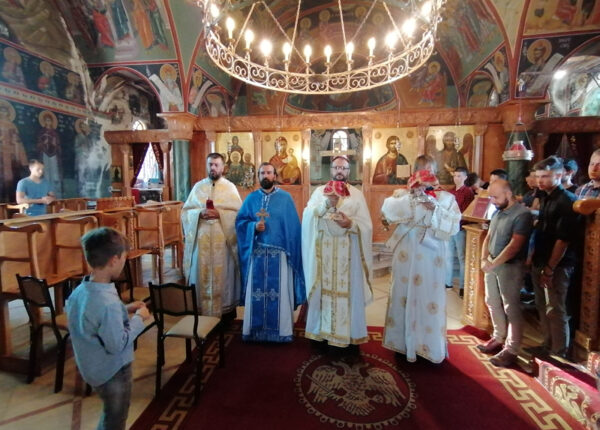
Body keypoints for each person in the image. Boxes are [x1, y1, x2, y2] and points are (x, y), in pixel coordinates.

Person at [66, 227, 151, 430]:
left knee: (109, 413)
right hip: (113, 371)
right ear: (114, 260)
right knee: (115, 419)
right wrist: (139, 318)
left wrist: (125, 309)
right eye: (124, 258)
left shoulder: (82, 290)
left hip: (91, 368)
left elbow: (92, 318)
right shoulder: (108, 303)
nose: (124, 262)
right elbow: (117, 344)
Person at [381, 169, 461, 363]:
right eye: (419, 184)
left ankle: (428, 347)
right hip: (406, 253)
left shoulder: (446, 198)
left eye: (427, 184)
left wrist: (434, 208)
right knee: (402, 294)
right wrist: (411, 196)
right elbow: (386, 212)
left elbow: (454, 225)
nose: (423, 188)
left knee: (428, 296)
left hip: (431, 256)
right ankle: (401, 345)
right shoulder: (403, 195)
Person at [302, 155, 373, 351]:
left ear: (349, 171)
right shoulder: (319, 192)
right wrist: (325, 204)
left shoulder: (357, 195)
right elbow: (307, 216)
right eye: (336, 167)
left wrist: (350, 224)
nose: (339, 171)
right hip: (323, 257)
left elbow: (367, 226)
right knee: (322, 293)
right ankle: (320, 334)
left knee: (348, 294)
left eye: (343, 168)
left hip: (348, 257)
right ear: (331, 170)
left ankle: (348, 336)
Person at [235, 162, 305, 342]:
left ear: (275, 176)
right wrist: (253, 227)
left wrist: (291, 252)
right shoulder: (251, 199)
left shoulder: (285, 198)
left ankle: (281, 332)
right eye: (262, 173)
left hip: (280, 255)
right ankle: (254, 331)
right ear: (258, 176)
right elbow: (240, 223)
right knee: (256, 292)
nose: (265, 176)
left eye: (269, 172)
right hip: (257, 253)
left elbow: (293, 228)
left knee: (279, 294)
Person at [530, 156, 581, 358]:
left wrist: (550, 268)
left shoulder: (567, 200)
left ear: (559, 175)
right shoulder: (545, 196)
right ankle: (547, 345)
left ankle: (559, 353)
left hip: (558, 265)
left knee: (556, 308)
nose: (540, 180)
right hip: (541, 258)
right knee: (542, 305)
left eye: (545, 176)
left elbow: (562, 240)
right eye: (538, 176)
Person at [478, 180, 533, 367]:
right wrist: (484, 259)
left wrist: (493, 263)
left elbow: (514, 246)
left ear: (508, 194)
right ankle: (498, 337)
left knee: (511, 307)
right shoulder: (497, 212)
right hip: (492, 264)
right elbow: (488, 237)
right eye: (490, 197)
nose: (492, 201)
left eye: (495, 197)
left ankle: (512, 349)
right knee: (491, 301)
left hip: (510, 266)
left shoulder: (522, 214)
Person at [181, 153, 242, 319]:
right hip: (202, 242)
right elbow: (186, 212)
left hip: (223, 243)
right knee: (201, 275)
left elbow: (239, 214)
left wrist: (220, 214)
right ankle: (202, 315)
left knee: (224, 276)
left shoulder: (230, 188)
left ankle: (225, 315)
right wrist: (199, 213)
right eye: (210, 164)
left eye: (216, 165)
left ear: (223, 167)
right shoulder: (198, 187)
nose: (213, 168)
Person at [446, 167, 474, 293]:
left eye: (459, 176)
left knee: (462, 257)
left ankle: (463, 286)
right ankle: (448, 282)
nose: (456, 178)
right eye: (455, 176)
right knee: (448, 256)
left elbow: (466, 211)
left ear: (465, 177)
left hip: (461, 227)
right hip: (450, 227)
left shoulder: (468, 192)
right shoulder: (451, 192)